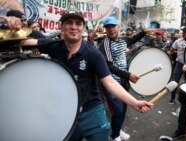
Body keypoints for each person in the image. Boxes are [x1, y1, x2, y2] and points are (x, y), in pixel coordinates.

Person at [3, 6, 154, 141]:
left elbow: (110, 82)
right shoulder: (53, 46)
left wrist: (134, 102)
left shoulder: (93, 54)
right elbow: (21, 41)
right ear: (61, 27)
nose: (74, 27)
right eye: (69, 23)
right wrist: (11, 27)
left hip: (92, 112)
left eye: (78, 23)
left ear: (83, 28)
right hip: (65, 113)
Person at [98, 16, 155, 141]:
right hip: (112, 84)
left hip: (124, 82)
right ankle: (115, 136)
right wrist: (128, 75)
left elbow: (134, 39)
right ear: (105, 29)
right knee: (117, 111)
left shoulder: (123, 40)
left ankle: (118, 130)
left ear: (118, 27)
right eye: (108, 27)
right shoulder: (105, 44)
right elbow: (108, 66)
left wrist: (144, 32)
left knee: (123, 109)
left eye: (113, 26)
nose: (111, 29)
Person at [167, 26, 186, 104]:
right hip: (179, 64)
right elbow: (171, 51)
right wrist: (165, 55)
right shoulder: (177, 41)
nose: (183, 33)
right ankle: (172, 98)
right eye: (183, 32)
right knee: (174, 82)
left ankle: (185, 101)